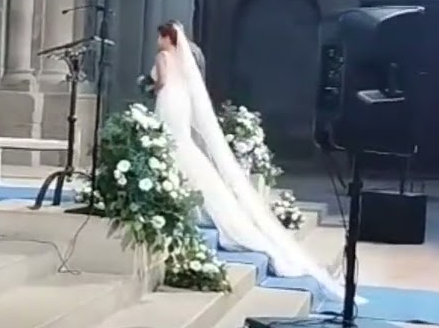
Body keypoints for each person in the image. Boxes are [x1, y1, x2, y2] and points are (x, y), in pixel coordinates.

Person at [150, 21, 354, 302]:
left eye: (160, 37)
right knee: (181, 147)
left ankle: (184, 200)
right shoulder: (184, 59)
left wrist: (149, 85)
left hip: (168, 101)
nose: (158, 42)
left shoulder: (163, 57)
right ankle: (197, 201)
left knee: (171, 147)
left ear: (166, 38)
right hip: (181, 103)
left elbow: (161, 82)